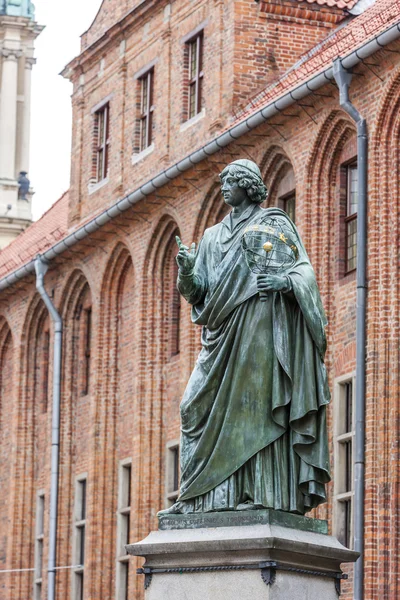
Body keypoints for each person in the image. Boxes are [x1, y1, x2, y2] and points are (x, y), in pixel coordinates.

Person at [159, 159, 330, 516]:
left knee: (257, 409)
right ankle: (197, 497)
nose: (224, 187)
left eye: (231, 181)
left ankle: (261, 493)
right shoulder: (211, 236)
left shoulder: (272, 224)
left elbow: (303, 271)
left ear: (249, 186)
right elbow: (199, 293)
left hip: (260, 326)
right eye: (222, 181)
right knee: (192, 408)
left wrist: (284, 283)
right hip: (220, 334)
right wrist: (187, 272)